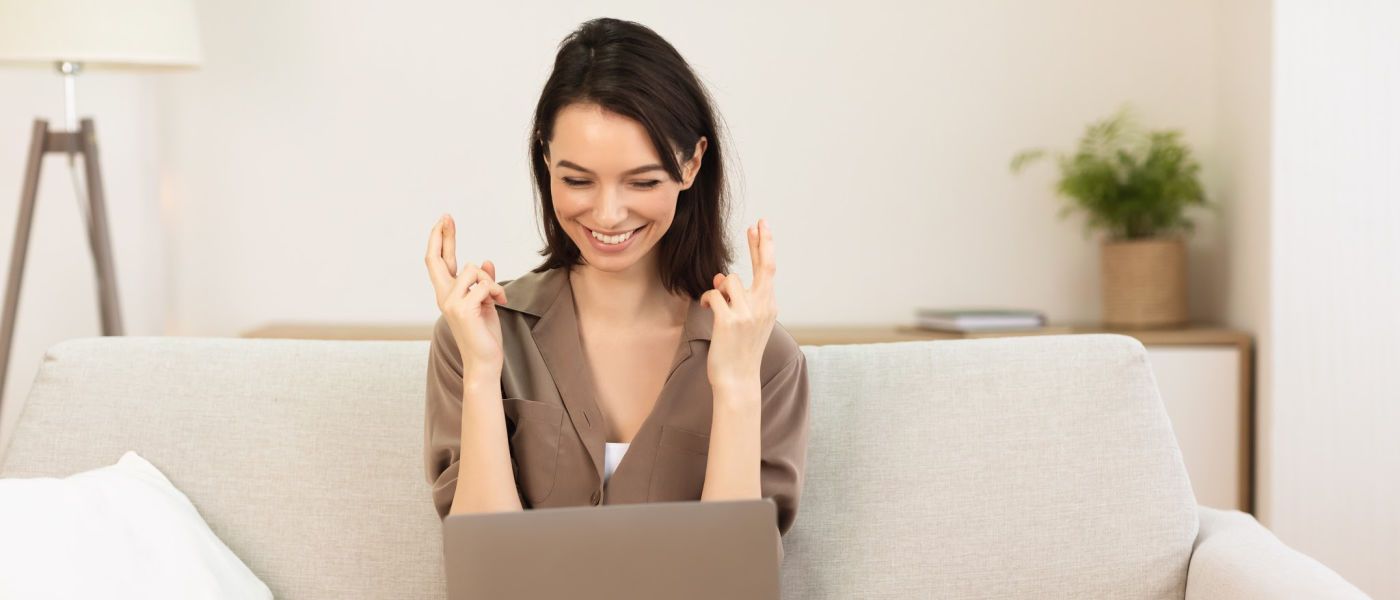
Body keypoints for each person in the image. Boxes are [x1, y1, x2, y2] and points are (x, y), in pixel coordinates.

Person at [422, 17, 810, 547]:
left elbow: (732, 580)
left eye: (643, 181)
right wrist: (483, 374)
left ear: (692, 164)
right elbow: (487, 570)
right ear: (545, 159)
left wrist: (737, 387)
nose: (607, 215)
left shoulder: (764, 358)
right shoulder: (475, 337)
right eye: (577, 180)